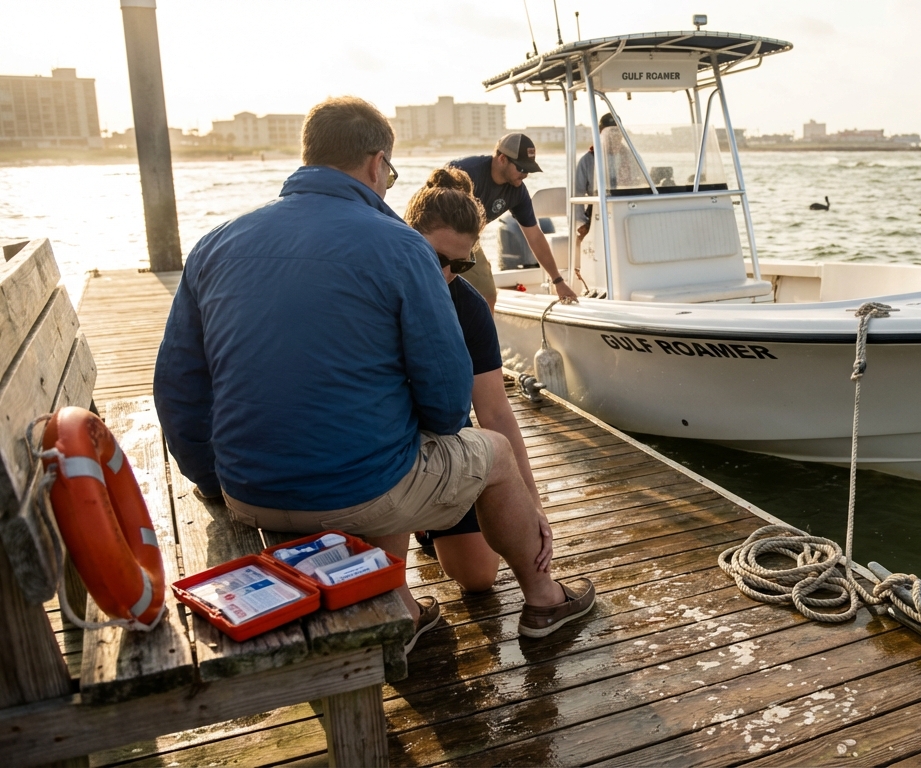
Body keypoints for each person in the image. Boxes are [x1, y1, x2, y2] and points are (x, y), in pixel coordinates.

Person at [153, 96, 595, 648]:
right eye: (388, 171)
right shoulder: (402, 248)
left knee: (380, 442)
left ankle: (403, 607)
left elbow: (176, 389)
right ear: (376, 163)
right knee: (492, 453)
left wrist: (214, 481)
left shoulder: (215, 244)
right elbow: (446, 403)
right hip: (358, 490)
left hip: (246, 491)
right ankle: (545, 599)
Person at [402, 167, 544, 592]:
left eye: (460, 263)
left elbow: (496, 411)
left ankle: (428, 524)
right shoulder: (377, 292)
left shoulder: (469, 307)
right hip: (386, 435)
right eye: (436, 259)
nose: (446, 274)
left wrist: (532, 501)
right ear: (408, 238)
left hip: (445, 435)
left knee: (479, 577)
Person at [449, 133, 579, 310]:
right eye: (521, 168)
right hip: (436, 236)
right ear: (502, 159)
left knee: (487, 294)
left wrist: (558, 281)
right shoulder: (465, 172)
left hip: (468, 241)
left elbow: (535, 236)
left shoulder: (518, 192)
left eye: (529, 170)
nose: (525, 175)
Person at [573, 113, 619, 250]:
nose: (615, 135)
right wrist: (582, 224)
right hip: (597, 215)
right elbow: (577, 194)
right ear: (600, 132)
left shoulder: (630, 158)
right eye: (610, 131)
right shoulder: (587, 160)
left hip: (625, 211)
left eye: (617, 131)